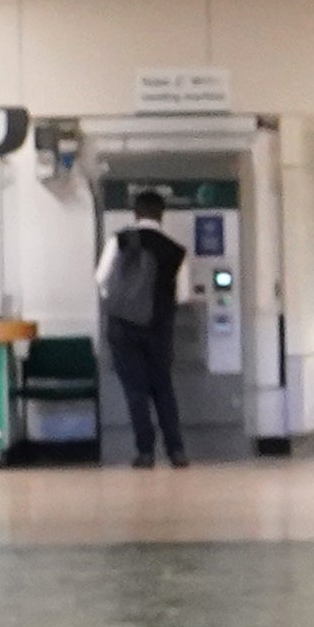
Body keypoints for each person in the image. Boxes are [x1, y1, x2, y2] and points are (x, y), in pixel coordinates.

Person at [96, 199, 190, 466]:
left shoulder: (119, 240)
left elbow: (100, 278)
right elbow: (182, 296)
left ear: (135, 213)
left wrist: (124, 302)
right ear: (162, 216)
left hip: (123, 328)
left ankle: (145, 453)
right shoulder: (176, 251)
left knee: (135, 390)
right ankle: (176, 451)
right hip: (159, 327)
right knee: (163, 388)